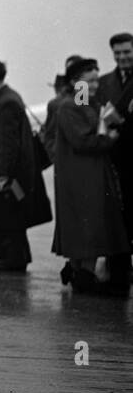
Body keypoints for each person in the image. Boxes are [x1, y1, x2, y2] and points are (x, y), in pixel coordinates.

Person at [52, 57, 129, 296]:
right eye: (90, 80)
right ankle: (83, 275)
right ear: (76, 81)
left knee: (84, 225)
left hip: (86, 173)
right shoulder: (71, 106)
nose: (95, 85)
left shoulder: (81, 102)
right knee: (88, 224)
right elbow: (83, 140)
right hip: (83, 175)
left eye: (97, 80)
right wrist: (111, 138)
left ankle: (79, 273)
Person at [0, 58, 52, 272]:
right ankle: (14, 257)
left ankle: (14, 259)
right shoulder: (6, 98)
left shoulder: (6, 101)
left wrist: (4, 174)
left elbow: (9, 142)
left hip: (6, 170)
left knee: (9, 215)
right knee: (9, 214)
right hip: (6, 168)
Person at [96, 32, 133, 293]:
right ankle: (118, 278)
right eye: (117, 53)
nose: (122, 57)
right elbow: (80, 108)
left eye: (127, 52)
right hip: (112, 162)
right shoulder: (101, 82)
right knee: (116, 220)